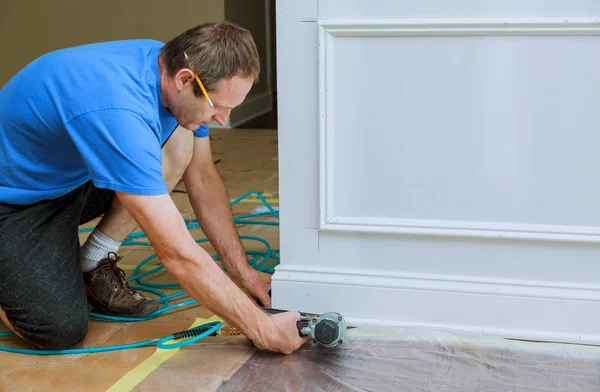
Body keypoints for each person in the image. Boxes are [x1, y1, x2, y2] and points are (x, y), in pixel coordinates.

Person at [0, 21, 307, 354]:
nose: (222, 119)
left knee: (178, 143)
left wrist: (244, 273)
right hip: (15, 203)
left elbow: (202, 177)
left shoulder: (171, 65)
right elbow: (176, 254)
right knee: (58, 328)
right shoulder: (119, 109)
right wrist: (262, 328)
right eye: (217, 106)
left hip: (69, 177)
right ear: (185, 80)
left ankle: (93, 260)